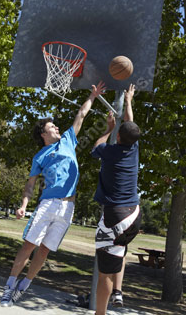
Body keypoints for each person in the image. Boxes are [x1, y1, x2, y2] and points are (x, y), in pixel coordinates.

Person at [0, 81, 105, 307]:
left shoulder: (68, 140)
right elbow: (30, 185)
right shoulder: (40, 156)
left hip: (67, 208)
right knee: (29, 245)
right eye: (52, 127)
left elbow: (82, 114)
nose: (56, 128)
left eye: (56, 126)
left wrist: (93, 95)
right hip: (47, 203)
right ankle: (9, 286)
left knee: (46, 250)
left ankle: (24, 286)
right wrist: (23, 204)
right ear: (42, 133)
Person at [91, 84, 142, 315]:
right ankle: (119, 292)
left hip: (116, 217)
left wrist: (108, 129)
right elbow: (130, 125)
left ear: (118, 135)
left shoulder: (109, 151)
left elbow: (96, 146)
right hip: (134, 215)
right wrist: (129, 101)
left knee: (104, 274)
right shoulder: (133, 148)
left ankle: (100, 312)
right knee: (118, 248)